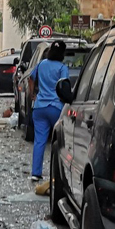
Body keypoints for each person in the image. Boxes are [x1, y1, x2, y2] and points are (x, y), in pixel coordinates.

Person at [28, 41, 71, 183]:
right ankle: (60, 174)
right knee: (61, 141)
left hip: (39, 107)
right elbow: (64, 86)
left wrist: (32, 94)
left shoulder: (41, 64)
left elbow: (30, 78)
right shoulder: (62, 68)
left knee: (39, 141)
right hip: (56, 108)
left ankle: (36, 173)